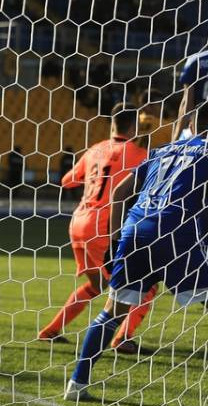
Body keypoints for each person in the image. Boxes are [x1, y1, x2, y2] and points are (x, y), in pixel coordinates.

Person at [65, 102, 208, 401]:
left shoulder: (162, 150)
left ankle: (77, 383)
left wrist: (113, 240)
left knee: (112, 311)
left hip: (136, 230)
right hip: (176, 232)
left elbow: (121, 192)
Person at [39, 104, 147, 345]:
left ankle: (50, 330)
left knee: (96, 285)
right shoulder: (138, 153)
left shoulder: (95, 149)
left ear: (113, 124)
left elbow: (67, 182)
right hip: (104, 226)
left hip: (79, 223)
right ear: (134, 126)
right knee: (142, 286)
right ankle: (123, 338)